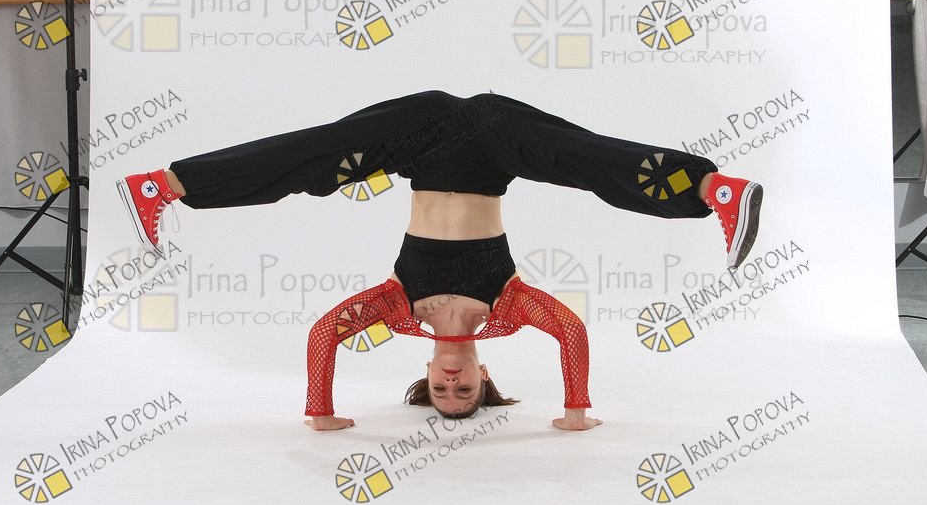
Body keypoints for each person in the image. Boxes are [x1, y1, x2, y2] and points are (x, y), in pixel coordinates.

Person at [117, 92, 762, 433]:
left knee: (315, 158)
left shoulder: (400, 306)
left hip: (419, 133)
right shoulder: (508, 309)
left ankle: (162, 186)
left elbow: (323, 336)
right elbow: (570, 332)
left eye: (442, 390)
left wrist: (321, 411)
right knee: (581, 157)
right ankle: (716, 192)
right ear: (485, 376)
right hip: (491, 136)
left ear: (426, 375)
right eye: (467, 391)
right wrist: (574, 409)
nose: (453, 383)